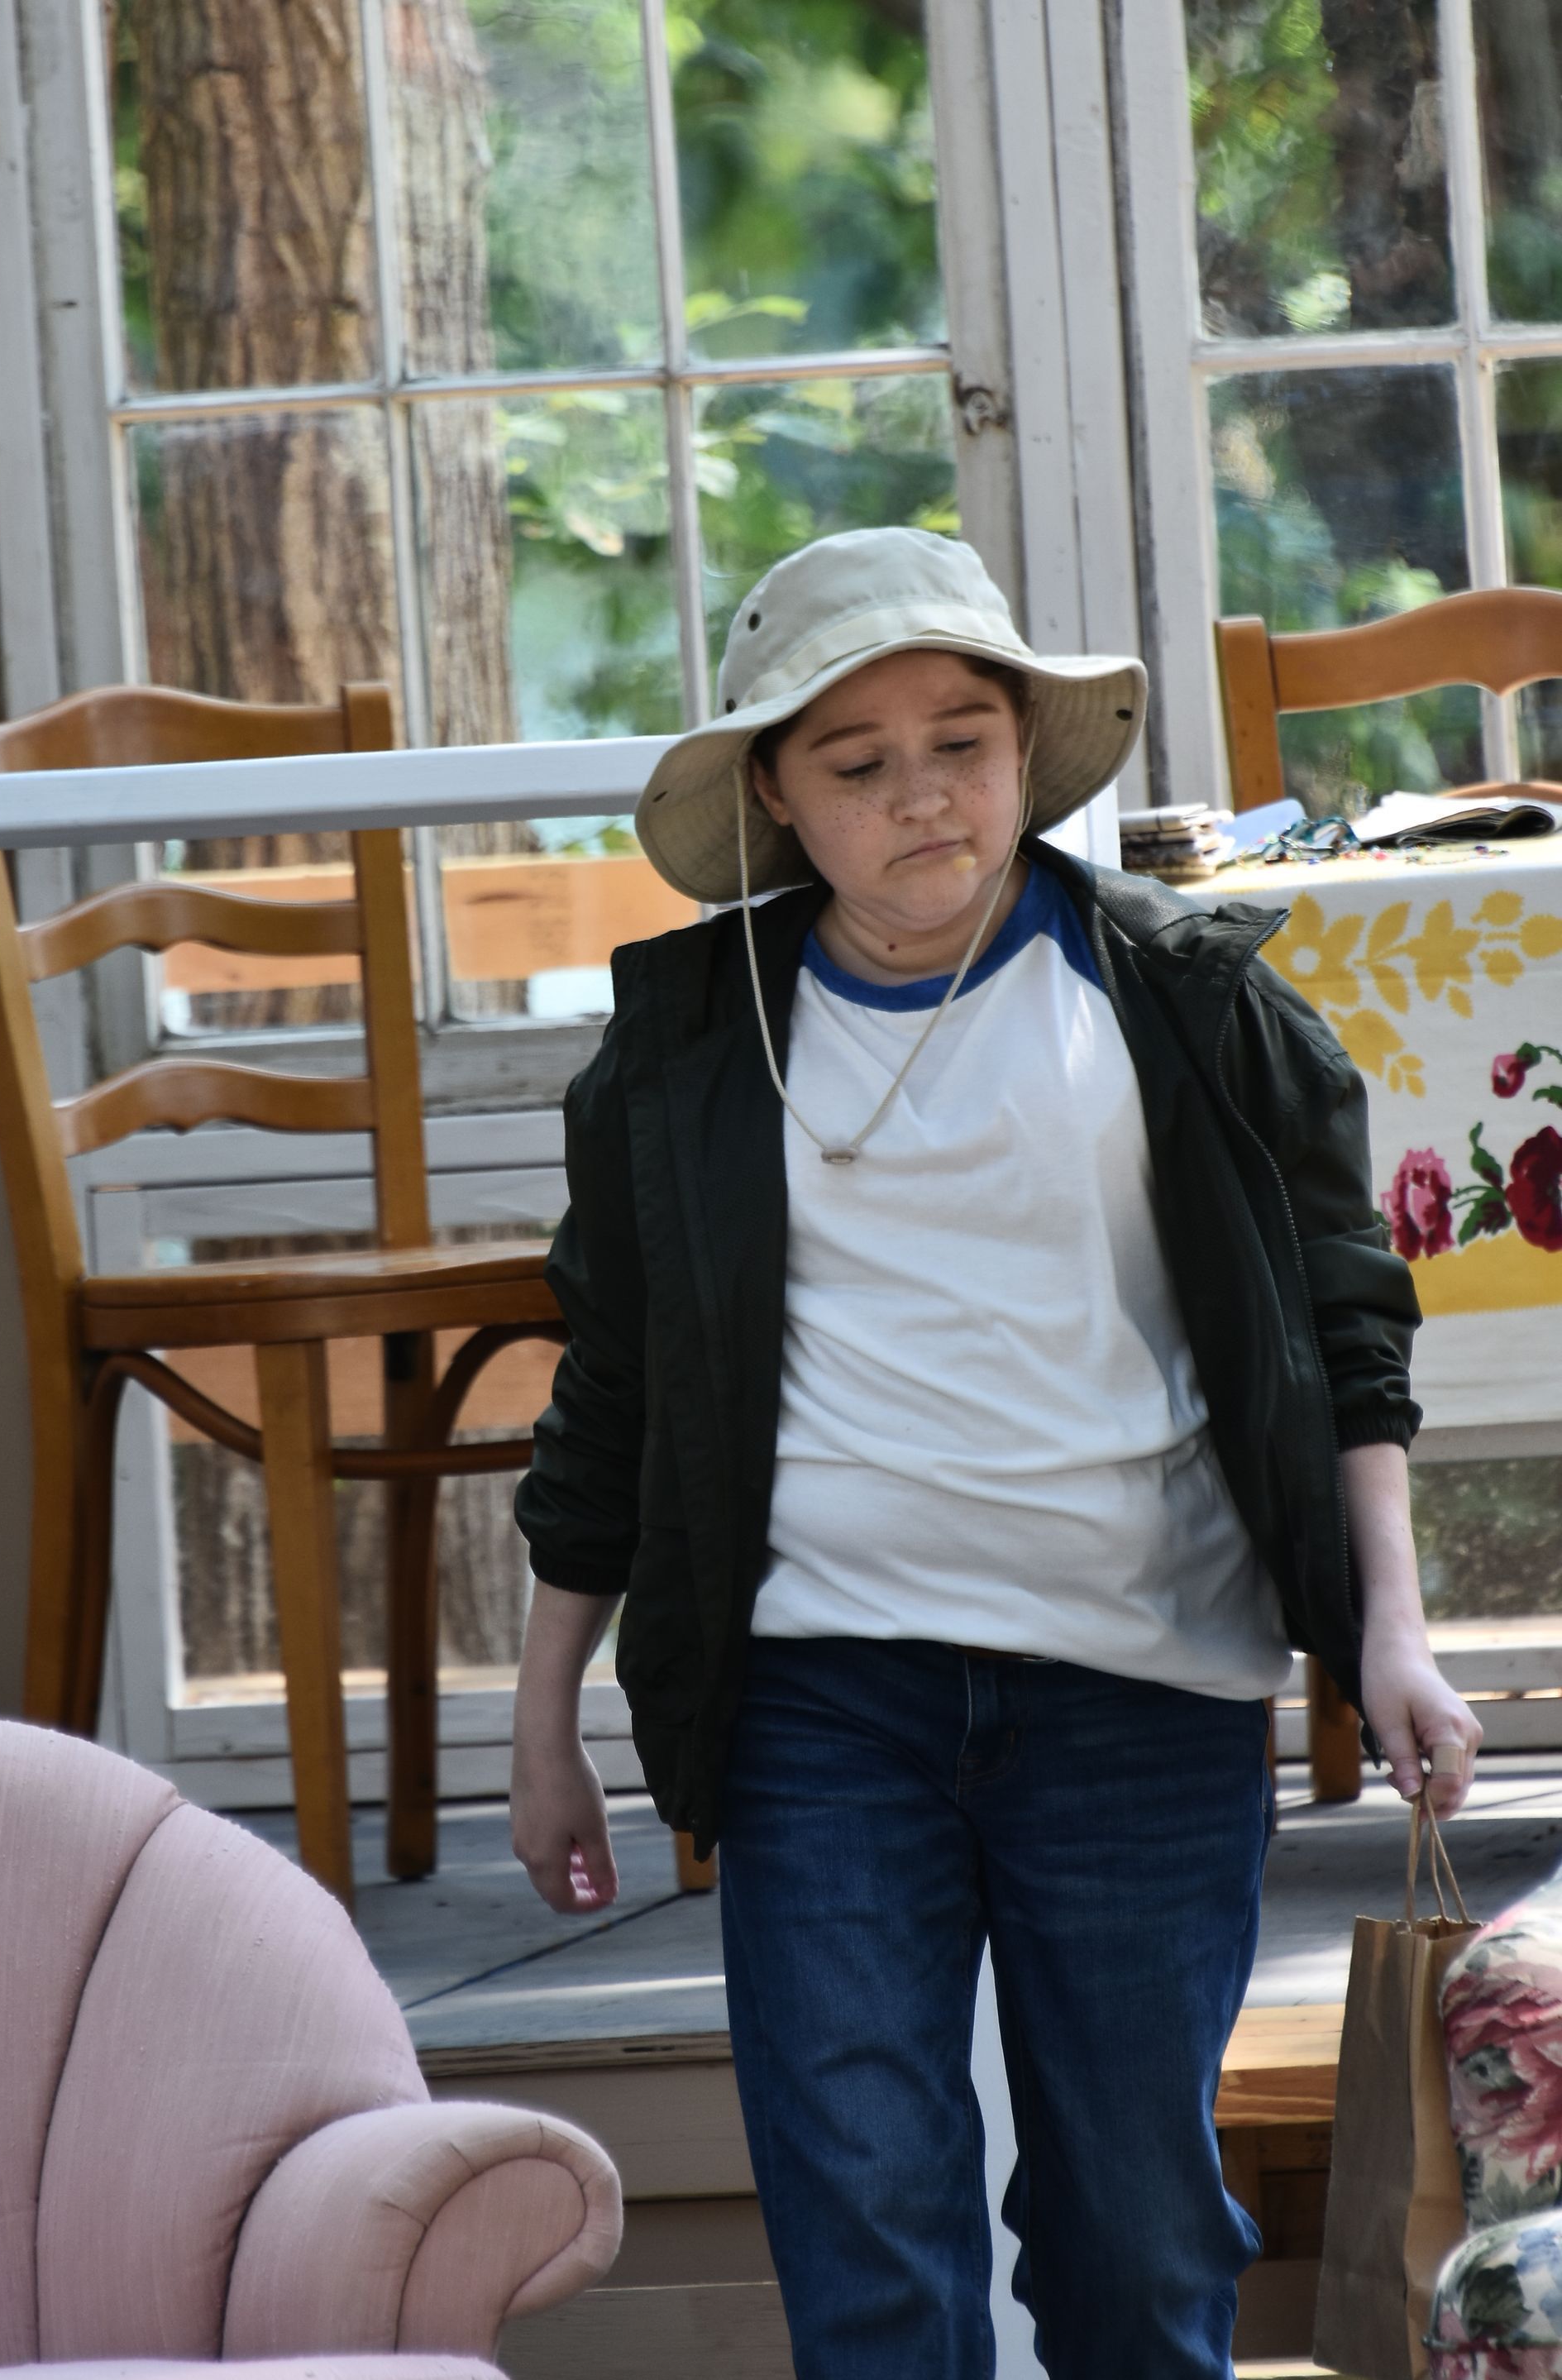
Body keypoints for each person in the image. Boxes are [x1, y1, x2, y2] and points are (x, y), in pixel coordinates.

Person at [509, 526, 1482, 2379]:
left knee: (1136, 2242)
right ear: (776, 797)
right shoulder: (690, 1046)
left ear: (1027, 746)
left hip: (1142, 1696)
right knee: (867, 2229)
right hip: (820, 1706)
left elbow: (1346, 1332)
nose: (922, 795)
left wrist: (1395, 1631)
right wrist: (543, 1714)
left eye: (961, 741)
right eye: (857, 763)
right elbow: (612, 1392)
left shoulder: (1182, 1000)